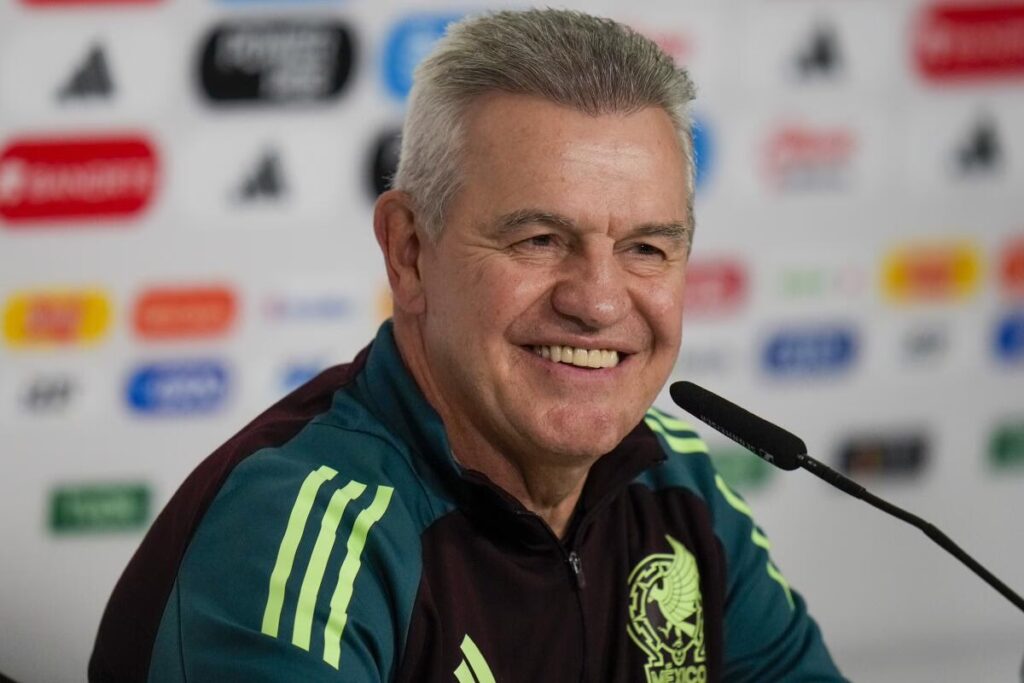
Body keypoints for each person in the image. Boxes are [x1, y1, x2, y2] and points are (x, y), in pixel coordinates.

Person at [91, 9, 845, 682]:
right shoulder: (289, 535)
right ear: (410, 253)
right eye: (539, 239)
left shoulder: (679, 483)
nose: (599, 301)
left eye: (646, 248)